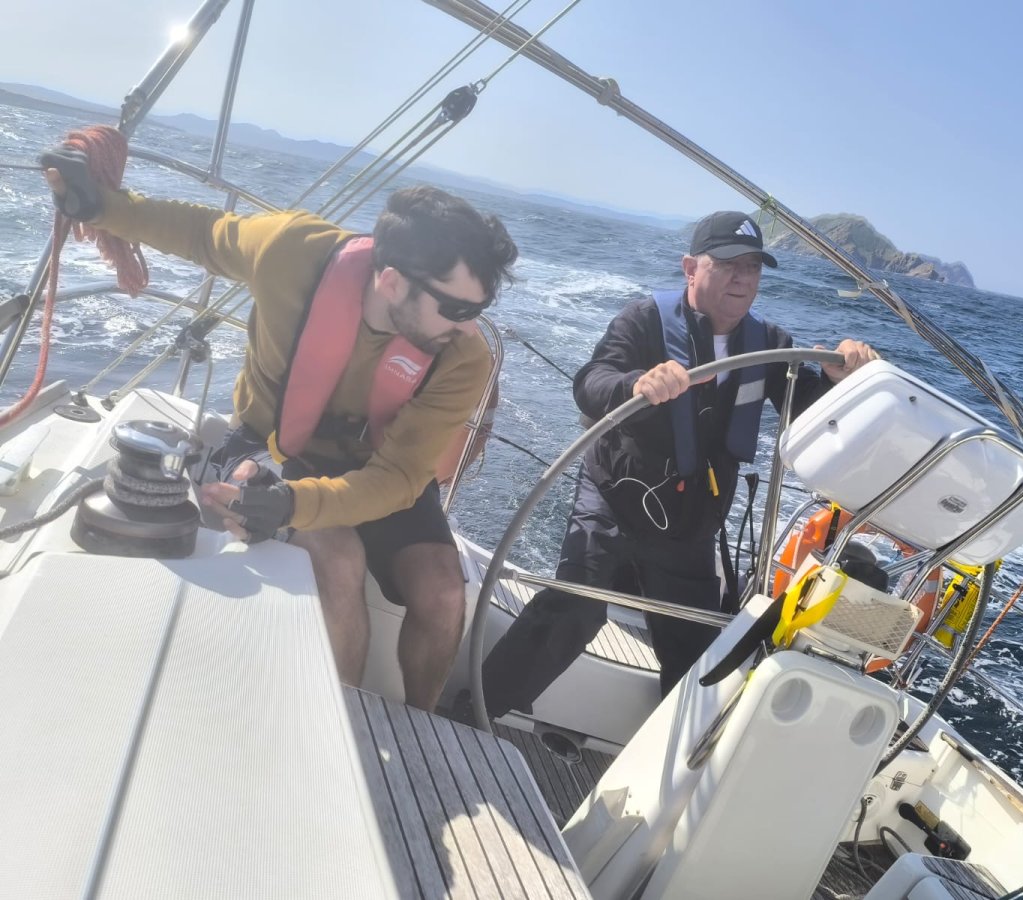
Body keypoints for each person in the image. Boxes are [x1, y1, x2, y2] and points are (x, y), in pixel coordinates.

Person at [41, 146, 518, 711]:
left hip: (377, 470)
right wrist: (100, 207)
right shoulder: (292, 252)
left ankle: (420, 724)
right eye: (456, 308)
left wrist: (294, 506)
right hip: (270, 444)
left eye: (478, 309)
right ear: (391, 281)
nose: (468, 327)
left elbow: (398, 478)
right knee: (338, 559)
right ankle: (348, 725)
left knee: (442, 590)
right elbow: (203, 233)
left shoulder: (462, 357)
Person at [481, 211, 878, 717]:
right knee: (574, 608)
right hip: (616, 498)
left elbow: (814, 419)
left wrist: (844, 380)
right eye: (728, 263)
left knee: (696, 650)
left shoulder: (772, 346)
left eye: (753, 266)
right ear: (690, 267)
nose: (742, 277)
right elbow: (590, 381)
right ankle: (479, 707)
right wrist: (635, 384)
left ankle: (678, 767)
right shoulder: (642, 321)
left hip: (692, 523)